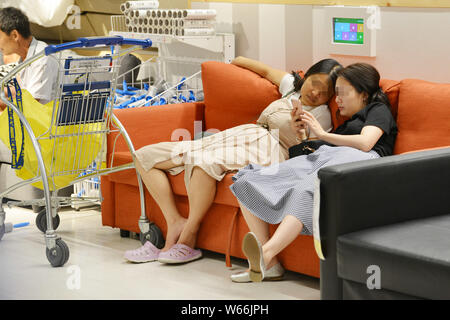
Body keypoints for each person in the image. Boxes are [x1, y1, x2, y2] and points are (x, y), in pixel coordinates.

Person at [123, 57, 343, 265]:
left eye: (324, 93)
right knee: (144, 156)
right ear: (308, 76)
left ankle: (187, 238)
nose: (315, 93)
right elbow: (263, 70)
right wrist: (234, 61)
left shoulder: (320, 113)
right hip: (242, 134)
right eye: (314, 83)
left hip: (269, 148)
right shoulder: (290, 86)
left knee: (204, 162)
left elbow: (309, 150)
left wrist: (301, 132)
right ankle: (174, 222)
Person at [228, 63, 398, 282]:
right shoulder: (346, 125)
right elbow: (322, 148)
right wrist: (304, 136)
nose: (337, 100)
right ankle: (269, 265)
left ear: (363, 94)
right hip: (328, 157)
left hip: (363, 162)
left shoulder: (378, 109)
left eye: (342, 94)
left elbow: (366, 143)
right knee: (248, 179)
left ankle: (266, 253)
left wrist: (321, 134)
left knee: (308, 188)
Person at [0, 7, 59, 112]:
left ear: (14, 35)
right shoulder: (26, 57)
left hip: (45, 123)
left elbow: (29, 106)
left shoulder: (41, 60)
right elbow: (20, 91)